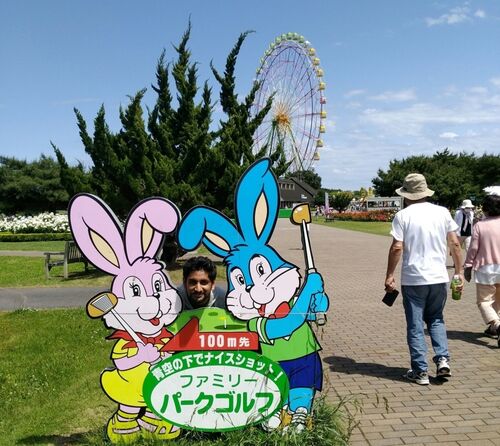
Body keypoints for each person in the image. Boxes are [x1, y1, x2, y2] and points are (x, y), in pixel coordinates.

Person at [384, 173, 464, 385]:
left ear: (406, 194)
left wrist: (390, 275)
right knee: (436, 319)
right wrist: (458, 272)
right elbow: (455, 244)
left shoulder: (403, 216)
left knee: (415, 325)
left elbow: (397, 247)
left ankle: (420, 371)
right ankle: (443, 359)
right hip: (438, 277)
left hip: (414, 278)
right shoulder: (442, 212)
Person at [464, 187, 500, 346]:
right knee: (498, 300)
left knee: (484, 301)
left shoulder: (480, 225)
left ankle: (497, 325)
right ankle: (493, 328)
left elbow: (473, 248)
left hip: (486, 268)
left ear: (485, 209)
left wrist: (468, 266)